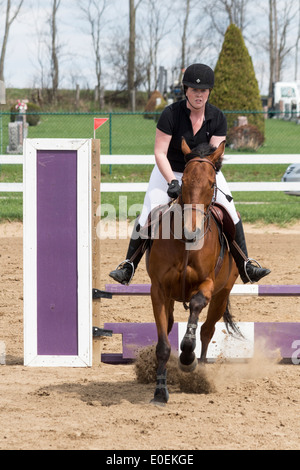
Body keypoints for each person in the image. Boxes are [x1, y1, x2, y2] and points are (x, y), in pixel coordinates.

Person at [109, 63, 270, 285]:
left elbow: (214, 157)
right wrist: (173, 181)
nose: (199, 95)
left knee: (231, 211)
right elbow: (159, 152)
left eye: (203, 90)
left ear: (209, 92)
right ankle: (129, 265)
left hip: (204, 172)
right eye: (194, 90)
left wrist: (201, 179)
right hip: (170, 169)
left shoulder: (217, 117)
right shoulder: (170, 114)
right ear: (186, 90)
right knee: (149, 211)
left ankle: (246, 264)